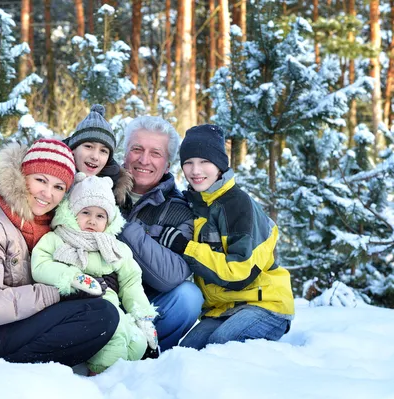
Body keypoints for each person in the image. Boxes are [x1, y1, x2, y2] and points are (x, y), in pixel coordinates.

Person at [0, 139, 120, 365]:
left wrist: (92, 283)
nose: (48, 193)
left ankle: (35, 370)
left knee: (102, 312)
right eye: (41, 180)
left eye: (59, 187)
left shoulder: (50, 226)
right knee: (100, 315)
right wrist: (60, 291)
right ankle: (14, 372)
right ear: (22, 178)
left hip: (23, 320)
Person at [155, 124, 294, 349]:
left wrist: (185, 247)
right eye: (188, 163)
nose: (195, 170)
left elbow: (240, 273)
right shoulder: (196, 203)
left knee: (221, 345)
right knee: (186, 353)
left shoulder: (237, 204)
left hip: (265, 305)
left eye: (204, 162)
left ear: (219, 165)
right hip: (222, 310)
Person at [31, 173, 158, 374]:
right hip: (76, 304)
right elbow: (40, 264)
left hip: (112, 306)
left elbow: (131, 282)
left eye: (100, 216)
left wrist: (142, 315)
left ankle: (123, 378)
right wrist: (72, 276)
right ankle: (99, 378)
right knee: (114, 339)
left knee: (137, 341)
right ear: (72, 213)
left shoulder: (116, 248)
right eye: (85, 213)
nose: (92, 221)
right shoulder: (58, 239)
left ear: (109, 220)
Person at [117, 116, 205, 352]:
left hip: (143, 308)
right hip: (94, 299)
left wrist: (120, 225)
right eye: (137, 149)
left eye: (155, 153)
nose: (144, 159)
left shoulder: (181, 210)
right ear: (125, 153)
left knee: (188, 297)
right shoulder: (99, 189)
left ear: (167, 164)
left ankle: (147, 356)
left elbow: (171, 276)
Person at [64, 104, 132, 206]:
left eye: (103, 151)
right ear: (73, 149)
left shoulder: (115, 192)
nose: (95, 157)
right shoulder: (52, 180)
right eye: (88, 146)